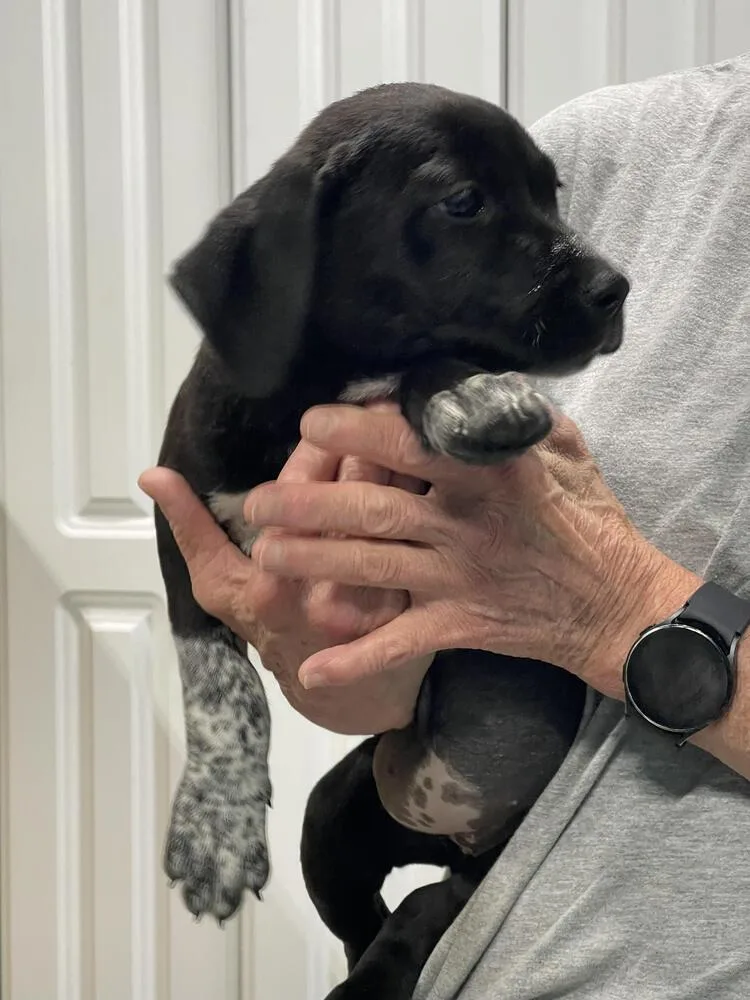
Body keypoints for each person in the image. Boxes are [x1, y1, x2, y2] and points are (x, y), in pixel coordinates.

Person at [140, 51, 750, 999]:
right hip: (477, 918)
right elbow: (360, 669)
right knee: (331, 835)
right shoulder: (614, 139)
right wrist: (337, 676)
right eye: (469, 207)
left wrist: (622, 611)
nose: (602, 270)